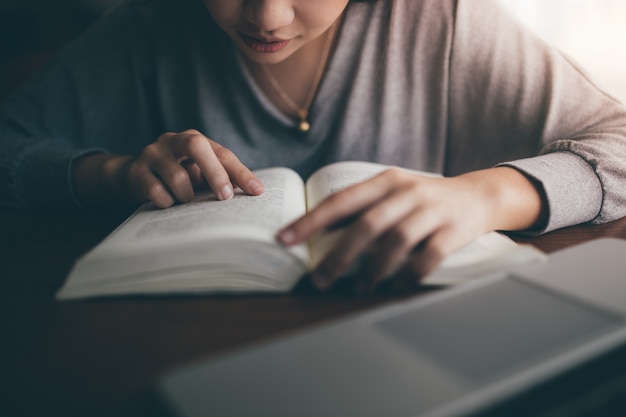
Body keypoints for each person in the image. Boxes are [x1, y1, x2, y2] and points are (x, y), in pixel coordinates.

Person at [1, 0, 626, 292]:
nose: (267, 17)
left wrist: (483, 197)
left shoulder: (443, 19)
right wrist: (111, 173)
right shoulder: (151, 26)